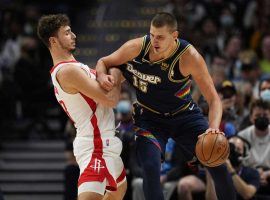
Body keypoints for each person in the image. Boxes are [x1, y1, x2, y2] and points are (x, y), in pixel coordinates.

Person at [96, 12, 236, 200]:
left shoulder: (189, 56)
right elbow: (103, 62)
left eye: (160, 37)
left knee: (218, 163)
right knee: (151, 167)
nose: (154, 41)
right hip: (149, 118)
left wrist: (213, 128)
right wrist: (101, 76)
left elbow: (213, 99)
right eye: (152, 35)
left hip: (185, 115)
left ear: (174, 36)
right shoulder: (136, 47)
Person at [37, 14, 127, 200]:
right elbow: (110, 100)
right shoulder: (68, 71)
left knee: (118, 192)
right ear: (53, 41)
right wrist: (117, 71)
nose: (74, 35)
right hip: (96, 145)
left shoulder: (75, 67)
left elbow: (109, 85)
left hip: (105, 142)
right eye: (67, 32)